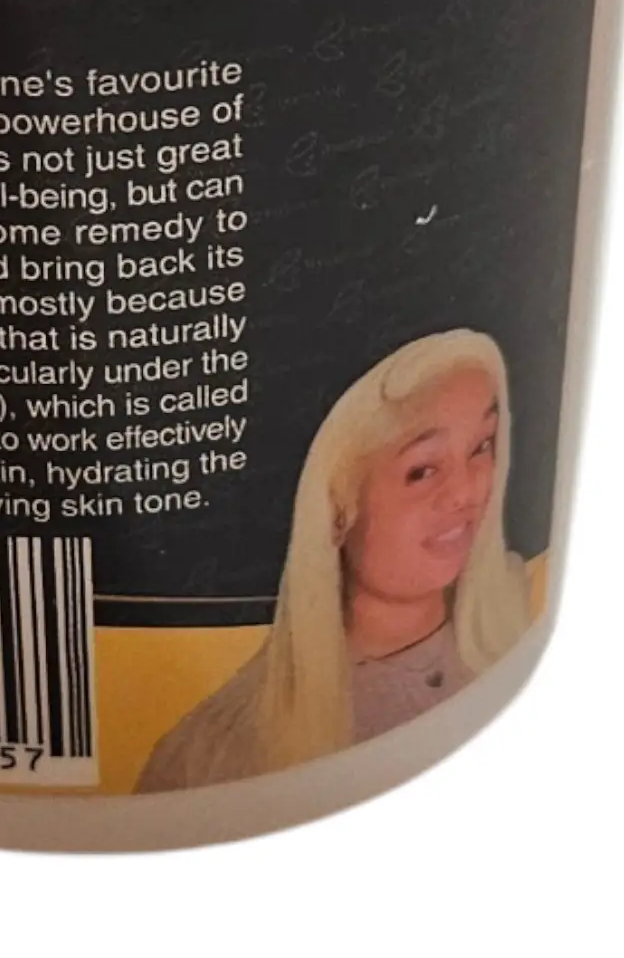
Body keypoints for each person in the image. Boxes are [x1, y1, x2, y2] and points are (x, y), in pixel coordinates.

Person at [138, 328, 533, 791]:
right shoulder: (213, 753)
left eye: (481, 446)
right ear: (337, 509)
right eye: (422, 471)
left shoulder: (521, 614)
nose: (465, 493)